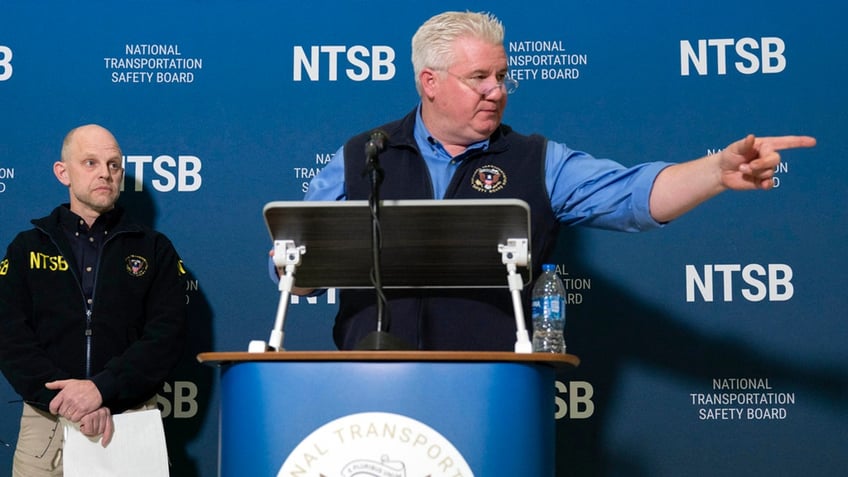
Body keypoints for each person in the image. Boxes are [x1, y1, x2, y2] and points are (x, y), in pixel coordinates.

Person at [295, 11, 816, 351]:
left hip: (498, 387)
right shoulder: (365, 156)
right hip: (372, 387)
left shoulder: (537, 160)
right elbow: (294, 268)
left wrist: (716, 173)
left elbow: (635, 194)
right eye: (479, 78)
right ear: (429, 82)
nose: (496, 91)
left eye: (502, 77)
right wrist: (299, 267)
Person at [0, 124, 188, 476]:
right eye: (90, 162)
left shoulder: (154, 249)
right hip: (46, 425)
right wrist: (71, 402)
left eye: (114, 165)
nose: (105, 172)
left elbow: (166, 337)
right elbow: (10, 338)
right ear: (63, 172)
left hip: (129, 423)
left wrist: (102, 390)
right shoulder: (26, 248)